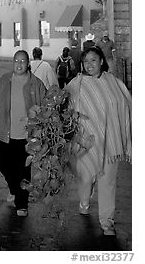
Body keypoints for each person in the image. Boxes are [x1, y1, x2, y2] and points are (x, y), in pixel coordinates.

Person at [65, 46, 132, 236]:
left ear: (102, 61)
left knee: (107, 181)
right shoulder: (76, 83)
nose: (89, 65)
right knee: (85, 178)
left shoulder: (113, 82)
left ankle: (106, 221)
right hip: (86, 143)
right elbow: (64, 104)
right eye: (86, 61)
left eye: (93, 60)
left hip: (111, 142)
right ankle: (84, 201)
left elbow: (125, 104)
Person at [0, 50, 47, 217]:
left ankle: (22, 204)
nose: (19, 64)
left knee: (23, 170)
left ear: (28, 63)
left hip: (26, 136)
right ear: (13, 63)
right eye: (16, 61)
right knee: (3, 164)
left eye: (23, 61)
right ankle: (14, 188)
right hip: (4, 132)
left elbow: (46, 108)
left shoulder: (36, 84)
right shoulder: (4, 81)